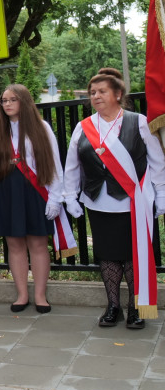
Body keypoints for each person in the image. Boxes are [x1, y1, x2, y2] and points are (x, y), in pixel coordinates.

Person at [63, 68, 165, 329]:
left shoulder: (138, 122)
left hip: (134, 201)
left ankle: (135, 308)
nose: (95, 96)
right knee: (108, 255)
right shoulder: (83, 127)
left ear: (118, 94)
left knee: (133, 256)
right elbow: (72, 165)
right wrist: (70, 196)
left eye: (102, 91)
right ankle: (113, 306)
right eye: (92, 92)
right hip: (99, 201)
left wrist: (161, 194)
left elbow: (157, 161)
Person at [0, 84, 70, 314]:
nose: (7, 104)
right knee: (14, 244)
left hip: (35, 190)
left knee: (39, 243)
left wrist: (55, 197)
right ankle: (22, 294)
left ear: (24, 101)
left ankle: (40, 295)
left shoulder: (41, 128)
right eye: (4, 100)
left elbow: (54, 164)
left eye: (12, 99)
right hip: (8, 192)